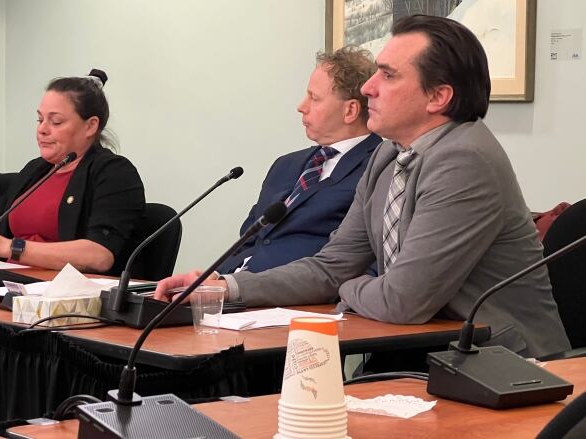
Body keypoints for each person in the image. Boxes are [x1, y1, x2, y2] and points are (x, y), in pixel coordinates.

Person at [156, 15, 570, 359]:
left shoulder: (465, 160)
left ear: (439, 96)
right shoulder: (389, 155)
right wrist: (223, 286)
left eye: (387, 75)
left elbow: (401, 302)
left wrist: (346, 287)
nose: (369, 87)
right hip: (427, 353)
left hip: (508, 367)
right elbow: (331, 264)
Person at [0, 70, 145, 274]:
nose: (42, 129)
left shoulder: (114, 173)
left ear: (90, 126)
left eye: (56, 122)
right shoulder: (35, 170)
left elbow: (99, 256)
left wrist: (11, 248)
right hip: (10, 285)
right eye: (40, 120)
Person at [217, 46, 381, 274]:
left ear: (350, 110)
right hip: (234, 291)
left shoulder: (380, 167)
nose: (301, 107)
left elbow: (356, 261)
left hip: (299, 299)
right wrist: (213, 280)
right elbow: (247, 238)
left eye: (314, 98)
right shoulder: (285, 165)